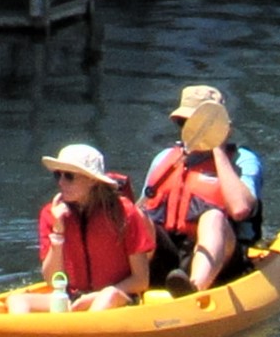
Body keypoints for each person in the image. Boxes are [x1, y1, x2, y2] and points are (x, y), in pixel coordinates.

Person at [141, 84, 263, 295]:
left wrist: (216, 146)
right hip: (168, 253)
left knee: (213, 217)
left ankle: (194, 288)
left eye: (199, 125)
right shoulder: (164, 159)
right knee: (140, 218)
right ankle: (131, 284)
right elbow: (138, 213)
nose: (191, 131)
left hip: (223, 258)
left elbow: (240, 209)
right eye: (184, 123)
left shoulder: (243, 160)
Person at [34, 143, 154, 311]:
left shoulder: (124, 212)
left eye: (69, 176)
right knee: (17, 302)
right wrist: (58, 233)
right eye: (57, 175)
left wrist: (97, 296)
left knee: (107, 296)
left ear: (91, 180)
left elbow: (141, 281)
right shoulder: (51, 214)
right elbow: (52, 281)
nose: (61, 182)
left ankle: (82, 331)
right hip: (73, 298)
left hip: (118, 297)